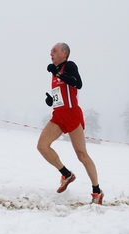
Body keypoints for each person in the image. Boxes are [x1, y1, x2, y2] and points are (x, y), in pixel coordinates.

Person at [37, 42, 104, 204]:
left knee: (82, 155)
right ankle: (66, 174)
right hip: (58, 115)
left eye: (54, 50)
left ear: (64, 54)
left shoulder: (69, 66)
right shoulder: (54, 72)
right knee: (42, 146)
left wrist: (58, 74)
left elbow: (77, 83)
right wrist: (51, 100)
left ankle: (97, 191)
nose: (50, 53)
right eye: (50, 50)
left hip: (72, 115)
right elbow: (63, 94)